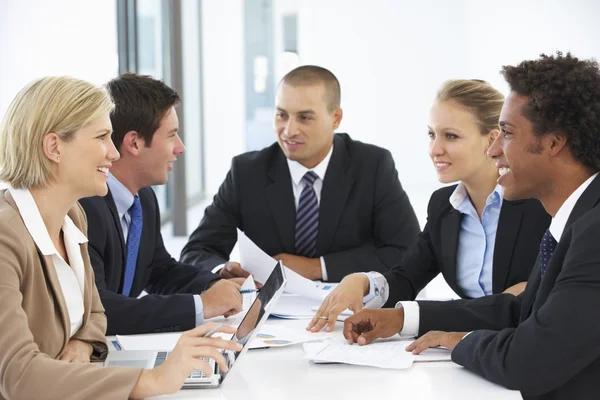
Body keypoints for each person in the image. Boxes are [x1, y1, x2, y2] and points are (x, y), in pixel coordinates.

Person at [342, 52, 600, 399]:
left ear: (554, 142)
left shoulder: (593, 233)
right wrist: (404, 319)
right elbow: (518, 309)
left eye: (505, 133)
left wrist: (462, 342)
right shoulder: (574, 219)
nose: (494, 151)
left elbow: (529, 360)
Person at [0, 76, 242, 400]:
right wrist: (152, 380)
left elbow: (96, 312)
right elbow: (18, 376)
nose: (113, 153)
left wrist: (84, 342)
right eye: (101, 137)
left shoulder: (72, 218)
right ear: (54, 147)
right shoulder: (6, 237)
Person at [308, 79, 550, 332]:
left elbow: (516, 303)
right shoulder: (443, 207)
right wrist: (362, 282)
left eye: (451, 136)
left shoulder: (537, 205)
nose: (435, 149)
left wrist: (409, 317)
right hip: (466, 348)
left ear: (491, 140)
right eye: (432, 134)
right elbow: (406, 278)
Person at [180, 65, 420, 282]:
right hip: (269, 315)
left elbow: (407, 251)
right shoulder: (247, 172)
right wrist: (222, 270)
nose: (289, 130)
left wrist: (316, 268)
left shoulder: (372, 166)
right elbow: (197, 252)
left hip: (348, 308)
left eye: (305, 118)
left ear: (335, 118)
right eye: (281, 115)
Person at [79, 73, 242, 335]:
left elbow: (158, 270)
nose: (181, 148)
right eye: (172, 136)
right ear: (134, 142)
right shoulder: (85, 208)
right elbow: (100, 307)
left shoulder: (142, 199)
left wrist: (214, 284)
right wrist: (200, 305)